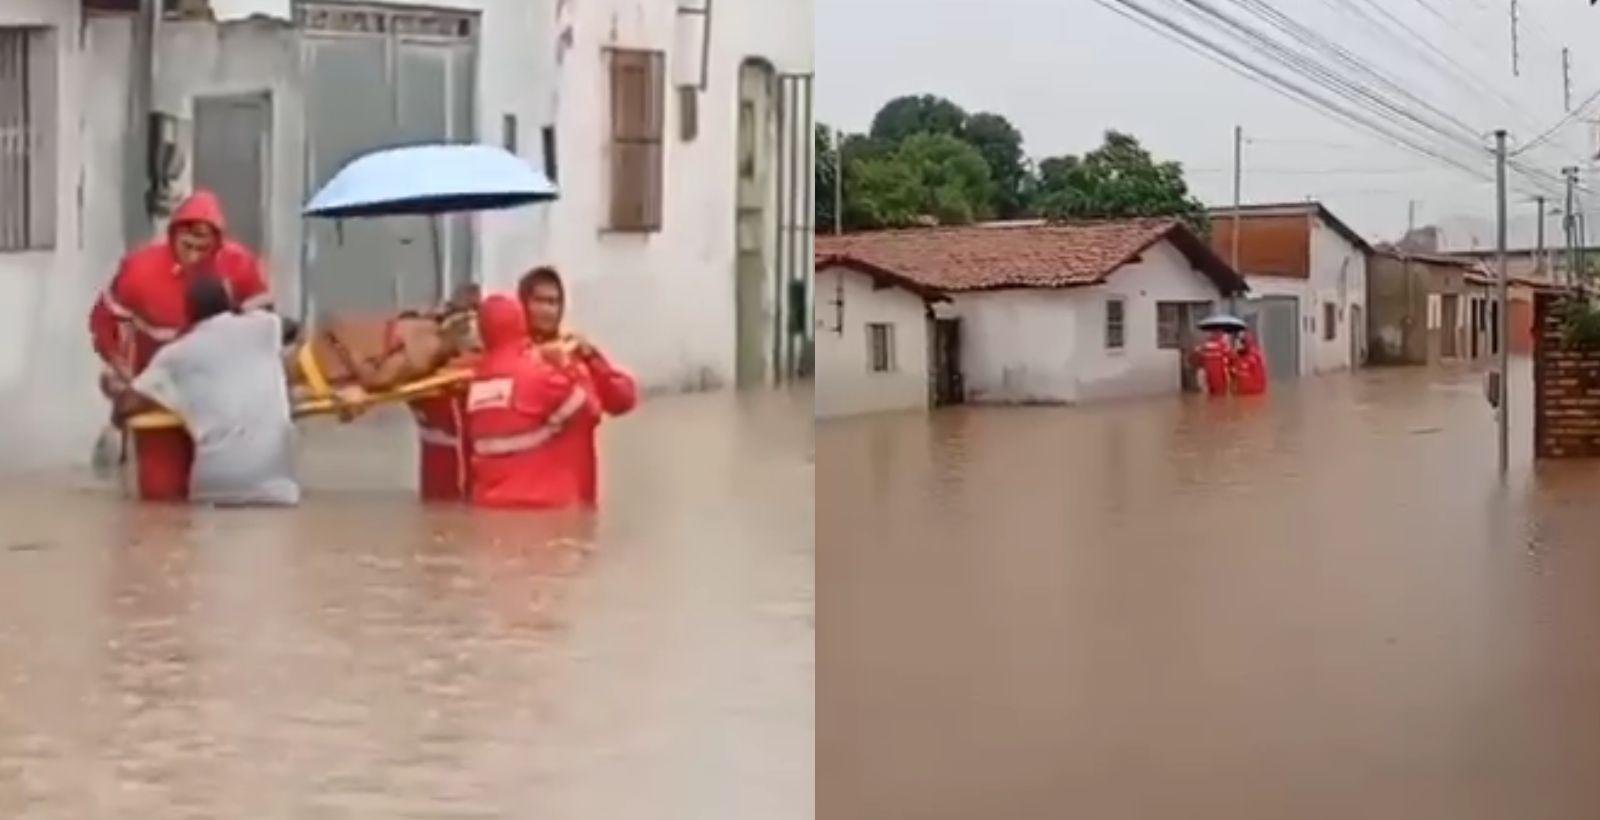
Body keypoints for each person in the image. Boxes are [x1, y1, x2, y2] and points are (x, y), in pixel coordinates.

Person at [90, 190, 273, 501]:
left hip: (220, 391)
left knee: (226, 488)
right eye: (187, 244)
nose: (194, 253)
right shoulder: (139, 271)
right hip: (158, 388)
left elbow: (266, 326)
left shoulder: (240, 266)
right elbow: (104, 323)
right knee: (161, 496)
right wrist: (119, 369)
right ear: (173, 235)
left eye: (203, 246)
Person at [116, 276, 299, 507]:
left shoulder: (175, 355)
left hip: (214, 485)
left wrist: (117, 407)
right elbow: (292, 327)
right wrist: (241, 314)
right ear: (228, 302)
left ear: (188, 311)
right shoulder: (263, 327)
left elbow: (128, 404)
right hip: (274, 485)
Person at [517, 267, 637, 505]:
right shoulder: (511, 357)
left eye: (554, 302)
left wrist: (592, 358)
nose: (548, 310)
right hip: (533, 492)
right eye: (539, 301)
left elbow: (622, 399)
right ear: (522, 305)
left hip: (579, 488)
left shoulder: (575, 353)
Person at [465, 294, 598, 509]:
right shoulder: (537, 373)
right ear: (521, 321)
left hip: (489, 506)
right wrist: (570, 367)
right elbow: (591, 410)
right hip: (542, 506)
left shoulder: (477, 380)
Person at [1191, 331, 1232, 397]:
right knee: (1220, 395)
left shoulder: (1203, 346)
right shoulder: (1223, 347)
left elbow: (1194, 358)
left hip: (1206, 373)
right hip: (1218, 376)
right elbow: (1230, 359)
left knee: (1205, 395)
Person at [1231, 331, 1269, 396]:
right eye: (1236, 343)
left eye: (1239, 343)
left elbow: (1260, 378)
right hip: (1240, 394)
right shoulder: (1236, 356)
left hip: (1253, 394)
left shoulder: (1256, 356)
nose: (1237, 346)